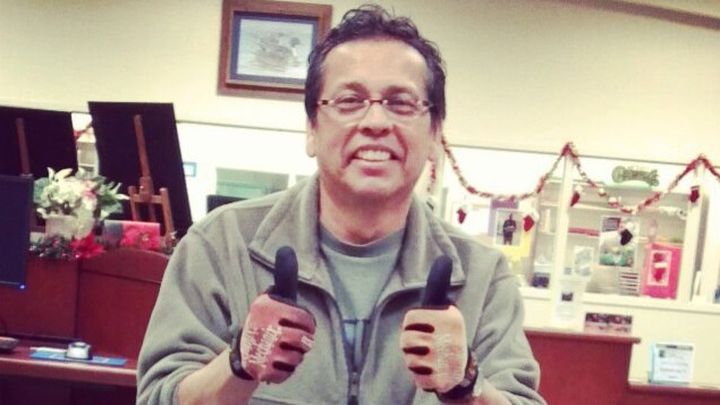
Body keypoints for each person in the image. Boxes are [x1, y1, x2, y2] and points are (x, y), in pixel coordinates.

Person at [137, 5, 545, 405]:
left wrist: (467, 387)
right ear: (312, 130)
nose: (376, 123)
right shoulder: (220, 246)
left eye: (401, 103)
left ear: (435, 133)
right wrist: (239, 366)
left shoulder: (482, 278)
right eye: (349, 100)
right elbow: (157, 397)